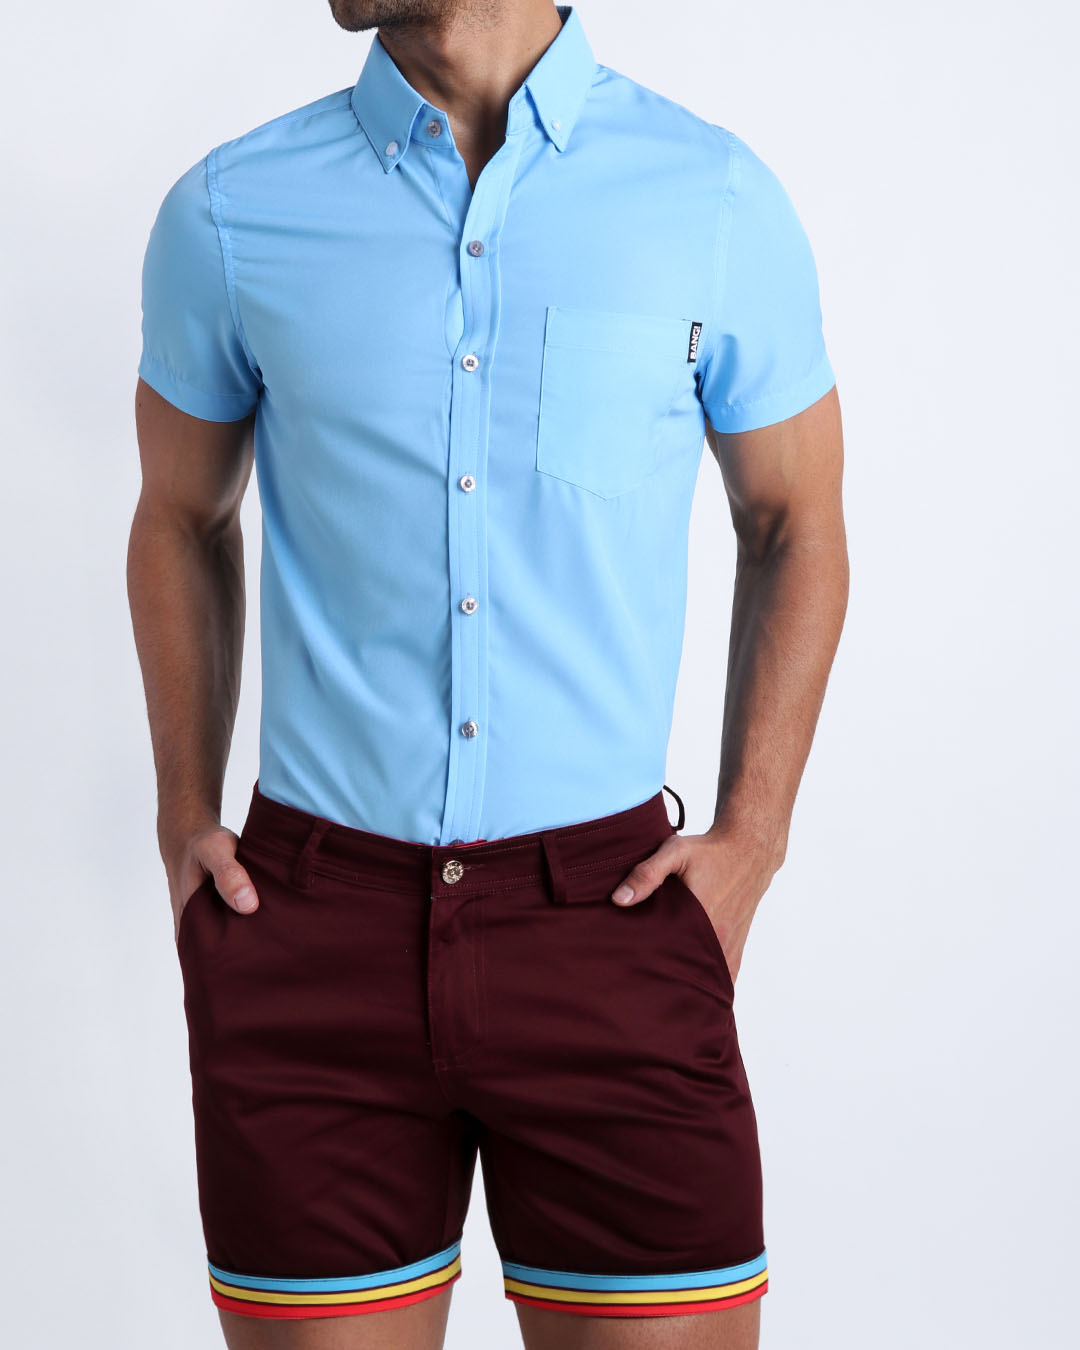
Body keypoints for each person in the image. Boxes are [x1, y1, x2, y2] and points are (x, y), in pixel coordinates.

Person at [128, 2, 848, 1346]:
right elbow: (179, 513)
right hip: (313, 925)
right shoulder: (229, 212)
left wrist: (753, 839)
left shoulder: (712, 200)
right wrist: (182, 816)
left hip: (611, 922)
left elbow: (795, 518)